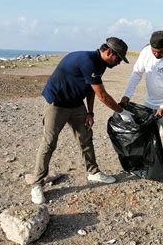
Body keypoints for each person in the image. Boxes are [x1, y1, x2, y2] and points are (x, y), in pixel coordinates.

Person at [26, 37, 135, 204]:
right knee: (49, 142)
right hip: (58, 104)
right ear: (108, 52)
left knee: (85, 137)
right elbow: (102, 96)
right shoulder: (87, 61)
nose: (119, 62)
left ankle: (93, 172)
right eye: (118, 58)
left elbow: (91, 89)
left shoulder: (101, 64)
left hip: (77, 105)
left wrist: (90, 112)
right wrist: (121, 111)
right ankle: (37, 185)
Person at [120, 31, 163, 186]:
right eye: (154, 51)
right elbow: (136, 74)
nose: (156, 54)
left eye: (160, 52)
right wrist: (127, 95)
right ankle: (151, 167)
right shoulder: (146, 52)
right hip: (149, 104)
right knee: (147, 137)